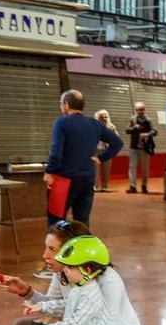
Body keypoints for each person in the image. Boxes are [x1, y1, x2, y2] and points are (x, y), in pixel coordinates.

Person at [43, 90, 124, 227]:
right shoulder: (94, 123)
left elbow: (56, 151)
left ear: (66, 104)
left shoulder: (62, 123)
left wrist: (49, 171)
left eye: (61, 104)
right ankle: (82, 246)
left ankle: (57, 248)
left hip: (64, 179)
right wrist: (101, 158)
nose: (60, 106)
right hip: (87, 178)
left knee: (56, 220)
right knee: (82, 221)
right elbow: (117, 142)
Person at [126, 102, 156, 194]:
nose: (139, 111)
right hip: (133, 146)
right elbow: (127, 130)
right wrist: (135, 127)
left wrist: (147, 134)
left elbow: (155, 131)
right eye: (138, 109)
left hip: (145, 147)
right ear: (135, 110)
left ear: (144, 109)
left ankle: (144, 186)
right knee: (132, 167)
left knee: (145, 168)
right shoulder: (132, 119)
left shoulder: (149, 120)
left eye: (141, 109)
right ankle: (132, 187)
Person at [94, 109, 118, 192]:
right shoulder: (94, 125)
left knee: (106, 169)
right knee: (95, 169)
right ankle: (95, 186)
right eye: (102, 116)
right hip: (96, 150)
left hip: (107, 150)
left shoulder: (111, 126)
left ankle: (104, 186)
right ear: (98, 117)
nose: (104, 118)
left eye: (106, 116)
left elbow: (116, 138)